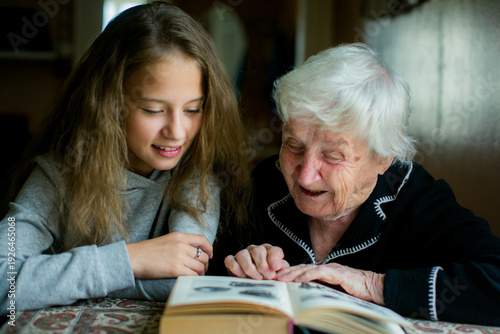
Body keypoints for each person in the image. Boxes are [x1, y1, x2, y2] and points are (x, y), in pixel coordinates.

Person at [219, 43, 500, 326]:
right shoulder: (263, 184)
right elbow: (205, 269)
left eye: (333, 156)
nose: (304, 176)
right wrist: (239, 270)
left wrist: (374, 285)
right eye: (294, 145)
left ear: (383, 159)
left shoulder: (416, 200)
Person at [0, 1, 251, 314]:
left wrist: (51, 277)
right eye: (153, 110)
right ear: (109, 103)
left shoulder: (198, 177)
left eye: (192, 109)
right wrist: (133, 258)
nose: (176, 131)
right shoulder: (56, 175)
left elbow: (180, 282)